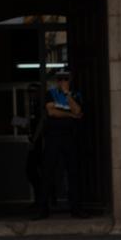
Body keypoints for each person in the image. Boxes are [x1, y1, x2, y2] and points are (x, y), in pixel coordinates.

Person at [35, 68, 88, 218]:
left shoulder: (76, 94)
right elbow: (52, 112)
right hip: (53, 137)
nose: (62, 82)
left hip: (70, 137)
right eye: (60, 79)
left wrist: (67, 95)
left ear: (70, 80)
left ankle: (76, 209)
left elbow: (78, 111)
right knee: (47, 172)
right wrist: (70, 114)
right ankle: (42, 209)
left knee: (73, 172)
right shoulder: (50, 93)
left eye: (65, 78)